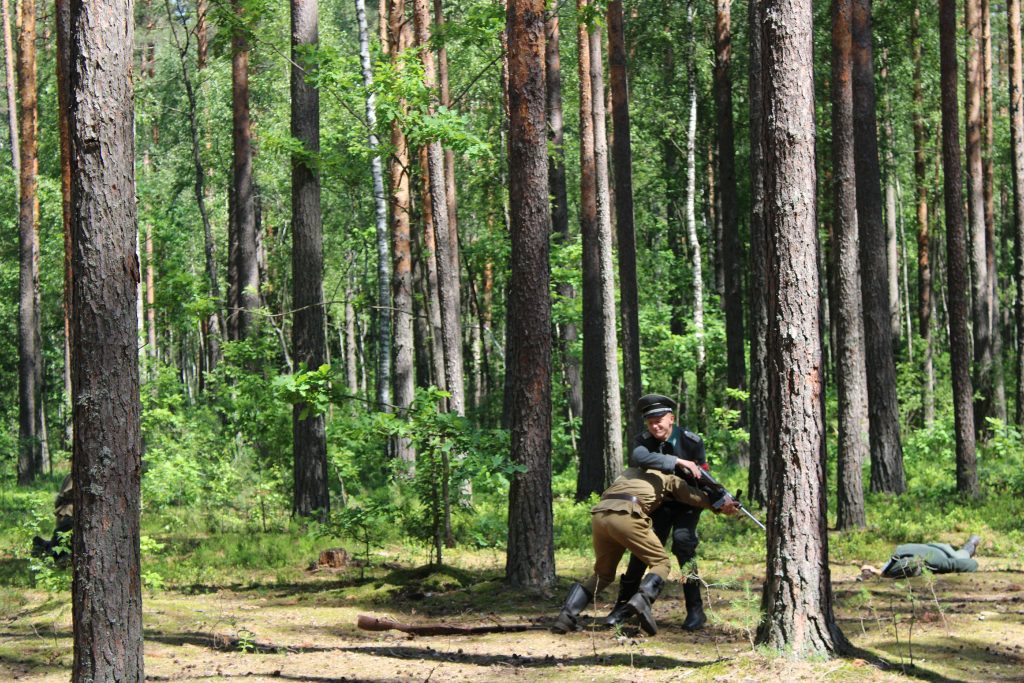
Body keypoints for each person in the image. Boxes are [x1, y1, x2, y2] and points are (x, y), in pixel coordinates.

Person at [551, 466, 739, 636]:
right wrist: (721, 506)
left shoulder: (629, 471)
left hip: (600, 514)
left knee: (603, 574)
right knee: (661, 563)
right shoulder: (669, 477)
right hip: (627, 514)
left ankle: (566, 617)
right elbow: (692, 496)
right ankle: (642, 599)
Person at [603, 394, 721, 631]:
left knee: (683, 544)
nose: (655, 425)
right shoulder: (644, 440)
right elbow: (638, 457)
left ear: (671, 419)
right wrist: (677, 461)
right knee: (643, 549)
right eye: (650, 422)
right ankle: (624, 607)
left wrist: (718, 499)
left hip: (687, 503)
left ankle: (695, 611)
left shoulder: (691, 441)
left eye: (659, 420)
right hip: (660, 504)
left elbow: (703, 476)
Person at [879, 535, 982, 578]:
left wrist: (973, 563)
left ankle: (973, 542)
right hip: (932, 545)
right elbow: (884, 570)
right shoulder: (898, 553)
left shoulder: (936, 563)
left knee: (963, 555)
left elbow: (969, 564)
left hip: (946, 552)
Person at [32, 473, 73, 563]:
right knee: (61, 545)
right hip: (69, 513)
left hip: (66, 511)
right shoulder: (76, 475)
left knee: (63, 540)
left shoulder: (71, 475)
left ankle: (43, 546)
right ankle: (43, 547)